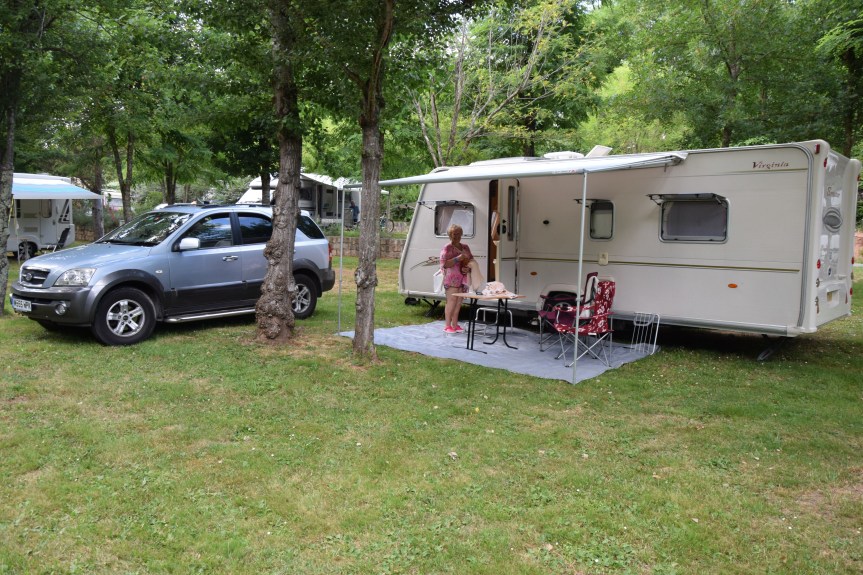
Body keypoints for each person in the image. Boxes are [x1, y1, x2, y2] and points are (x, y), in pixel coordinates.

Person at [439, 224, 485, 333]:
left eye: (459, 234)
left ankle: (455, 325)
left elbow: (471, 260)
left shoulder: (465, 247)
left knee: (459, 302)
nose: (457, 236)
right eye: (454, 234)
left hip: (463, 279)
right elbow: (444, 264)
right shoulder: (447, 248)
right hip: (451, 279)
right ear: (450, 235)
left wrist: (468, 268)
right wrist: (458, 258)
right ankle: (447, 326)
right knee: (451, 301)